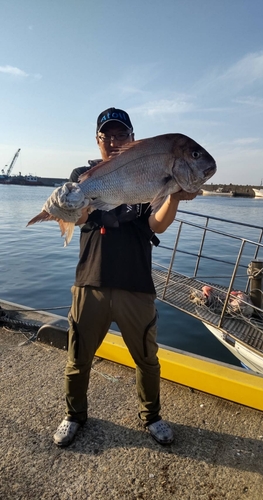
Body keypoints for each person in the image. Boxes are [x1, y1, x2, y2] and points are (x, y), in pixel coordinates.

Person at [53, 107, 198, 447]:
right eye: (108, 136)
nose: (115, 141)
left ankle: (152, 416)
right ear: (98, 140)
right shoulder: (83, 175)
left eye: (122, 135)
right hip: (91, 280)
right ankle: (74, 415)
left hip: (136, 283)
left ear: (133, 139)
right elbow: (79, 214)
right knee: (78, 358)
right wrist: (64, 206)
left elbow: (155, 224)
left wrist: (174, 196)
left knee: (147, 359)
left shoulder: (150, 172)